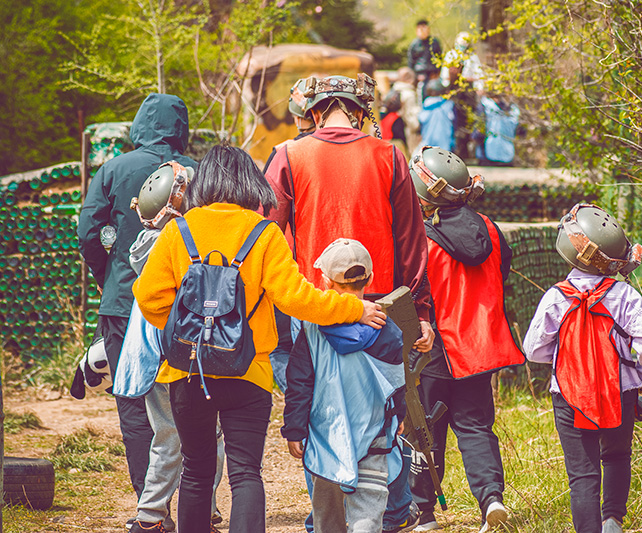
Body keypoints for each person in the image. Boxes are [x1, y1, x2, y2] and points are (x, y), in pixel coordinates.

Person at [133, 144, 387, 533]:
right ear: (249, 183)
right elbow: (298, 300)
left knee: (197, 471)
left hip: (187, 373)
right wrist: (355, 309)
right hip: (247, 373)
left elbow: (147, 297)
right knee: (246, 473)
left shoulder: (176, 232)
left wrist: (188, 327)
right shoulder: (264, 235)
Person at [264, 72, 433, 532]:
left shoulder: (288, 155)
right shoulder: (389, 157)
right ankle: (390, 511)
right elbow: (412, 243)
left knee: (319, 407)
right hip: (381, 309)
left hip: (312, 306)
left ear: (314, 112)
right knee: (386, 408)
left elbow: (266, 232)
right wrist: (421, 314)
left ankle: (327, 517)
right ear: (361, 112)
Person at [78, 93, 196, 526]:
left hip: (125, 302)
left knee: (132, 396)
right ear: (182, 126)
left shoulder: (114, 168)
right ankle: (199, 499)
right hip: (187, 305)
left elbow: (89, 232)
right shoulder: (197, 172)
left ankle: (150, 508)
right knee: (189, 395)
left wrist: (108, 277)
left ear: (139, 125)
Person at [522, 203, 642, 533]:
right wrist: (640, 371)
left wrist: (564, 361)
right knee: (616, 455)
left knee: (582, 474)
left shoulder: (555, 297)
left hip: (568, 397)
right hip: (620, 391)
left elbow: (533, 350)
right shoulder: (624, 295)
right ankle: (612, 520)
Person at [407, 147, 523, 532]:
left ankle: (423, 513)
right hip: (478, 349)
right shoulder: (488, 228)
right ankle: (491, 499)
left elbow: (411, 293)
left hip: (434, 350)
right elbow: (501, 274)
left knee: (424, 431)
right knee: (475, 427)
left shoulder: (421, 238)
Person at [115, 162, 225, 533]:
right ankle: (172, 512)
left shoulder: (144, 245)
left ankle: (155, 513)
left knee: (168, 438)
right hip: (180, 355)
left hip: (150, 358)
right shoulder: (179, 244)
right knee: (207, 435)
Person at [282, 238, 407, 533]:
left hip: (326, 433)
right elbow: (397, 382)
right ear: (371, 279)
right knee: (370, 502)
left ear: (325, 281)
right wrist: (399, 416)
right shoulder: (387, 327)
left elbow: (299, 383)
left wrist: (294, 429)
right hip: (374, 429)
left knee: (326, 509)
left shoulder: (311, 327)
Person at [263, 77, 318, 394]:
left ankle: (304, 406)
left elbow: (269, 218)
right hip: (356, 274)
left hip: (298, 268)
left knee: (285, 348)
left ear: (297, 116)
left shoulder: (285, 153)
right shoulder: (363, 150)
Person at [440, 32, 484, 160]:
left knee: (468, 119)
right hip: (455, 92)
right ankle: (456, 148)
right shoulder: (451, 55)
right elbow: (445, 75)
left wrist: (478, 87)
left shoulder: (472, 57)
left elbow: (478, 73)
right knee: (455, 118)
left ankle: (466, 149)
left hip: (468, 92)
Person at [407, 20, 442, 99]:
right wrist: (415, 76)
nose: (422, 31)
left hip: (433, 74)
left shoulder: (434, 42)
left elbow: (439, 58)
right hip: (420, 75)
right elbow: (411, 62)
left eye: (424, 28)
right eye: (420, 28)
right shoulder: (414, 44)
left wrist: (437, 73)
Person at [418, 81, 455, 153]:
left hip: (428, 143)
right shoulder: (448, 104)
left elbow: (421, 120)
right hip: (444, 143)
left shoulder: (425, 105)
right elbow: (454, 121)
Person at [393, 67, 422, 152]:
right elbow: (413, 120)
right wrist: (418, 129)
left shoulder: (396, 91)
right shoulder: (409, 94)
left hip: (396, 130)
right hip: (408, 131)